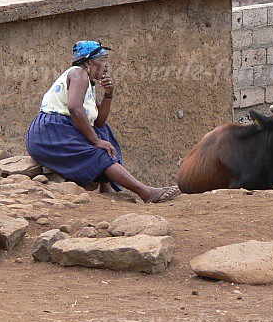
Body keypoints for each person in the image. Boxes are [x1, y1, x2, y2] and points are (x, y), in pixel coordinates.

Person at [26, 41, 180, 203]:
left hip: (60, 130)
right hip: (50, 134)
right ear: (88, 62)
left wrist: (109, 94)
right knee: (98, 147)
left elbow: (99, 121)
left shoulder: (88, 83)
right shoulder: (79, 74)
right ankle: (146, 193)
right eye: (102, 59)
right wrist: (95, 140)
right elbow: (74, 107)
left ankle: (105, 188)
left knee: (103, 132)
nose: (106, 65)